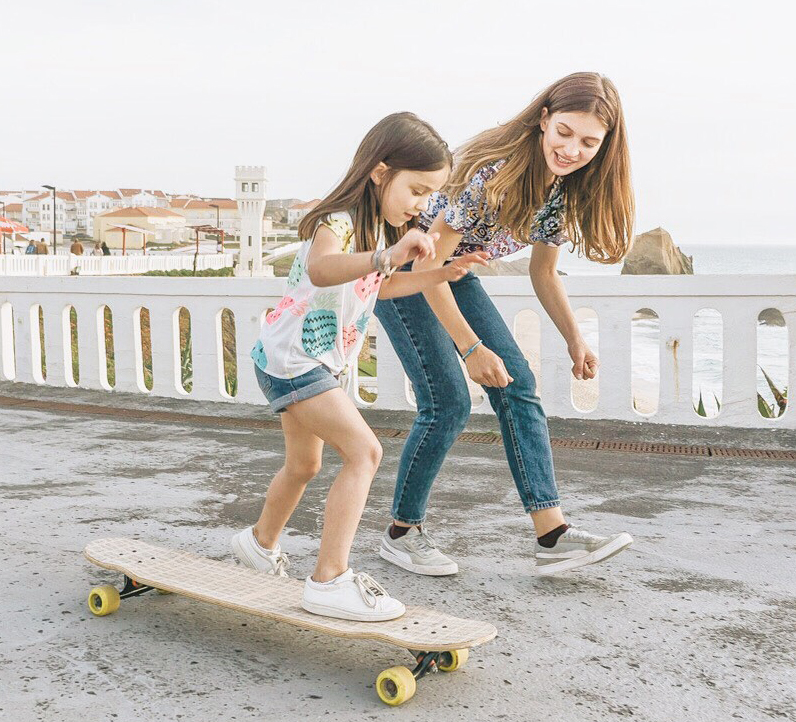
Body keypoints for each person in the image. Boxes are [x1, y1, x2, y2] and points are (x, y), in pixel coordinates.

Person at [374, 72, 635, 577]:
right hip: (407, 270)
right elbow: (427, 271)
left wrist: (574, 338)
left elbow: (543, 271)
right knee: (446, 401)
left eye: (588, 141)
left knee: (519, 387)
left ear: (604, 146)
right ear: (544, 120)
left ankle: (552, 535)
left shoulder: (562, 191)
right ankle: (402, 535)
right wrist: (471, 350)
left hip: (451, 272)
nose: (571, 149)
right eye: (564, 132)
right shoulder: (493, 174)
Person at [231, 112, 487, 621]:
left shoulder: (372, 229)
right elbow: (326, 269)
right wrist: (386, 254)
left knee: (305, 465)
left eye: (430, 196)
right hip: (295, 361)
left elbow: (381, 286)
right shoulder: (343, 220)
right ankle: (329, 579)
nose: (422, 205)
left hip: (298, 360)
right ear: (379, 171)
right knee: (365, 452)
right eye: (416, 191)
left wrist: (442, 272)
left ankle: (258, 545)